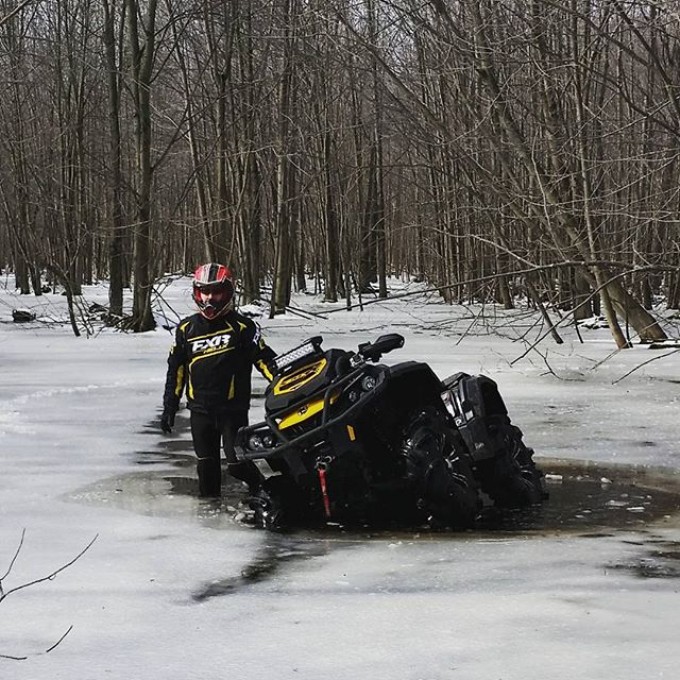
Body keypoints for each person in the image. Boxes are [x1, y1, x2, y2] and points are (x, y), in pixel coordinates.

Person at [160, 263, 276, 497]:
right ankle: (209, 518)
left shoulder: (243, 326)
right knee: (206, 466)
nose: (210, 298)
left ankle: (265, 492)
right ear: (196, 292)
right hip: (200, 411)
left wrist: (284, 384)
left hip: (232, 410)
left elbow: (264, 359)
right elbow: (177, 370)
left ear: (228, 292)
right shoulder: (186, 328)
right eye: (204, 291)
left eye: (216, 292)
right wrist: (170, 406)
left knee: (237, 464)